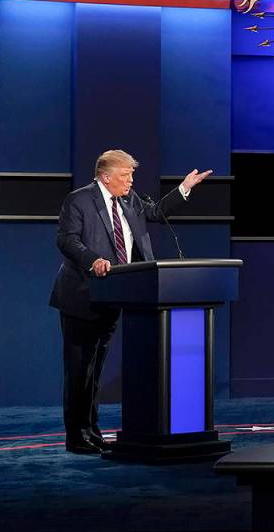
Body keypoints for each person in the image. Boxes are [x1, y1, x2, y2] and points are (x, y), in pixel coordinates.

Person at [49, 149, 212, 455]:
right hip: (81, 297)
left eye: (132, 175)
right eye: (126, 175)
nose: (131, 180)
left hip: (114, 295)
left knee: (95, 371)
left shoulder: (130, 200)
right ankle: (76, 436)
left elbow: (158, 213)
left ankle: (91, 431)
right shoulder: (79, 200)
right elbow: (67, 240)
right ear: (105, 176)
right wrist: (92, 259)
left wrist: (185, 188)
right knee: (79, 370)